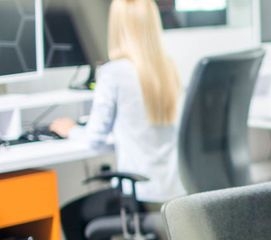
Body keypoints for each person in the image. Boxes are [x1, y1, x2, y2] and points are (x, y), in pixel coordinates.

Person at [49, 0, 186, 207]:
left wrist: (71, 129)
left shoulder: (114, 73)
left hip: (139, 194)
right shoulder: (168, 68)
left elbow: (94, 139)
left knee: (70, 214)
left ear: (117, 27)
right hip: (174, 194)